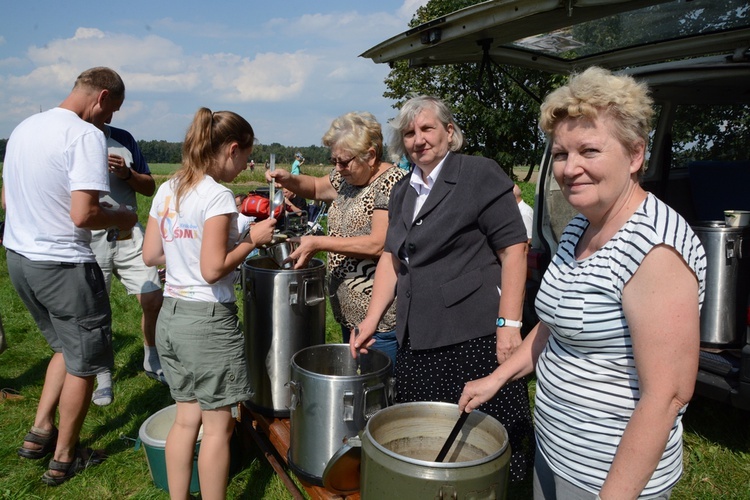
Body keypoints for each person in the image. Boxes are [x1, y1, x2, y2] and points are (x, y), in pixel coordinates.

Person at [459, 67, 707, 499]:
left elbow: (667, 395)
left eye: (589, 151)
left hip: (609, 475)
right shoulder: (579, 226)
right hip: (557, 452)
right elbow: (556, 321)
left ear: (634, 155)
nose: (570, 169)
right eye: (560, 154)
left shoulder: (655, 250)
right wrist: (499, 377)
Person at [353, 96, 534, 481]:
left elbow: (514, 249)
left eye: (426, 128)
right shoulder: (403, 190)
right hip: (415, 340)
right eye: (408, 133)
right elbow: (391, 258)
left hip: (471, 339)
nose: (418, 139)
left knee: (480, 444)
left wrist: (509, 323)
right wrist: (372, 319)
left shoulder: (478, 174)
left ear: (449, 132)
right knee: (429, 443)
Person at [3, 66, 137, 485]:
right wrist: (123, 216)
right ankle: (64, 457)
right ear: (100, 98)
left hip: (20, 257)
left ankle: (39, 432)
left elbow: (8, 199)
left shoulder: (26, 127)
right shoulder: (84, 135)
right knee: (84, 365)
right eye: (110, 110)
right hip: (62, 265)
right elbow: (84, 212)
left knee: (63, 347)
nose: (108, 120)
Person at [142, 107, 276, 499]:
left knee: (186, 421)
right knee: (218, 427)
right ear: (232, 149)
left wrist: (192, 251)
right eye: (246, 157)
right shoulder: (216, 195)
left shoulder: (171, 187)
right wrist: (252, 239)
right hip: (207, 323)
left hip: (171, 316)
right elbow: (213, 269)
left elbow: (152, 253)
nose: (246, 165)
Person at [267, 112, 406, 366]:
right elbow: (317, 187)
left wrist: (320, 242)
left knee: (382, 390)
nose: (338, 169)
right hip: (349, 316)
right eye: (334, 161)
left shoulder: (391, 182)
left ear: (371, 155)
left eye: (343, 161)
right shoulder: (347, 177)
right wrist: (289, 179)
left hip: (380, 322)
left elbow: (379, 244)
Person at [87, 118, 166, 407]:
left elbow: (148, 187)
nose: (113, 112)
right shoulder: (74, 137)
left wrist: (126, 174)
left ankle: (152, 357)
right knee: (95, 309)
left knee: (153, 297)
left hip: (130, 233)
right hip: (91, 237)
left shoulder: (124, 138)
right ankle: (102, 374)